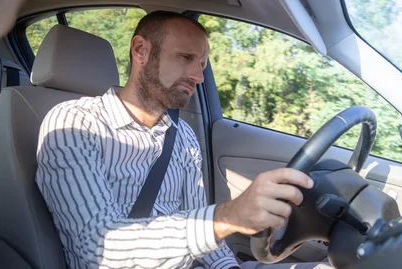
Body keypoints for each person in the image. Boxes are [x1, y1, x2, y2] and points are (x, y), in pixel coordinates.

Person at [36, 11, 330, 269]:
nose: (198, 76)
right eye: (186, 58)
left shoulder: (182, 136)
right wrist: (227, 217)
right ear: (141, 51)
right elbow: (99, 250)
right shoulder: (74, 124)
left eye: (202, 63)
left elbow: (200, 227)